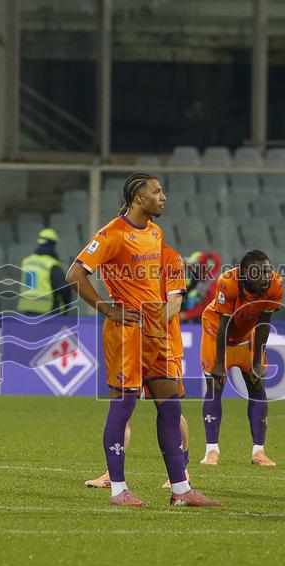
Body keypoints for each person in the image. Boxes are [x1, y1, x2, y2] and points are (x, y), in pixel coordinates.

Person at [66, 172, 220, 507]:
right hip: (125, 331)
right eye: (157, 192)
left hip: (155, 332)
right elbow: (75, 274)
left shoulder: (155, 232)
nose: (163, 197)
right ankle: (118, 489)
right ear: (138, 198)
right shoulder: (112, 234)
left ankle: (180, 490)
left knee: (171, 405)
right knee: (124, 405)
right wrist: (107, 309)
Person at [84, 243, 191, 490]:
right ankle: (112, 472)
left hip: (164, 343)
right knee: (123, 409)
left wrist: (148, 328)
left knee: (171, 410)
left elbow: (174, 305)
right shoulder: (128, 258)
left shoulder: (171, 259)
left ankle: (182, 471)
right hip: (128, 343)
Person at [199, 250, 283, 467]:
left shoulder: (275, 284)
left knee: (257, 384)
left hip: (246, 335)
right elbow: (223, 324)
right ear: (245, 274)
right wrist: (219, 364)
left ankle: (259, 452)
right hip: (217, 331)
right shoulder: (228, 283)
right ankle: (211, 451)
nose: (266, 277)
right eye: (260, 273)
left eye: (268, 271)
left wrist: (257, 362)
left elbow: (264, 322)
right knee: (215, 385)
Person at [17, 228, 73, 315]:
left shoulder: (26, 262)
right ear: (53, 244)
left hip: (27, 311)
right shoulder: (51, 264)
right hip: (47, 312)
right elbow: (64, 289)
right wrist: (66, 308)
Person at [181, 250, 222, 323]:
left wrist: (186, 315)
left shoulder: (212, 286)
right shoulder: (204, 280)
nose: (193, 270)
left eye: (196, 267)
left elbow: (205, 307)